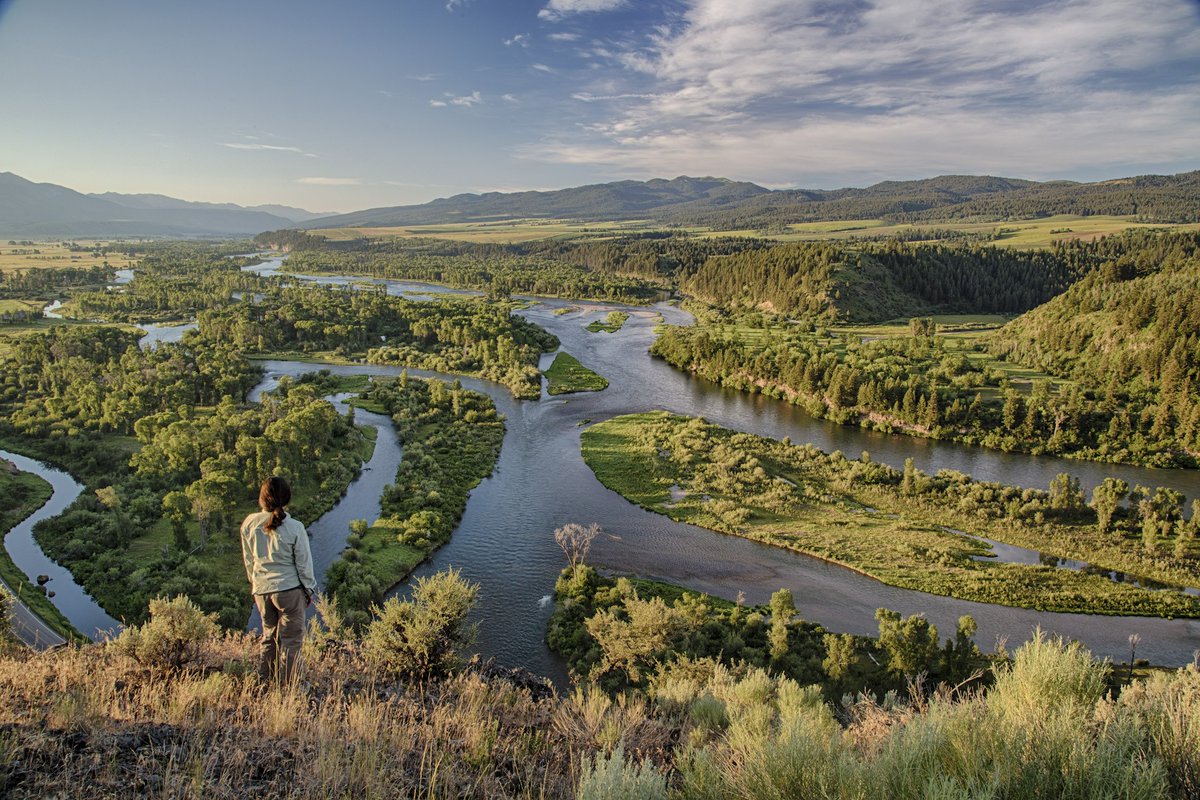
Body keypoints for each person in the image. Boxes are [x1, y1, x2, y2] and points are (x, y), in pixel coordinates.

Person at [240, 475, 316, 685]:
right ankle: (294, 687)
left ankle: (265, 682)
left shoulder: (248, 524)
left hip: (262, 590)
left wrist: (256, 585)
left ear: (262, 498)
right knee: (291, 641)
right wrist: (308, 589)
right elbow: (303, 564)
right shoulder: (295, 527)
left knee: (269, 636)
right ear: (287, 498)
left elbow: (249, 561)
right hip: (289, 590)